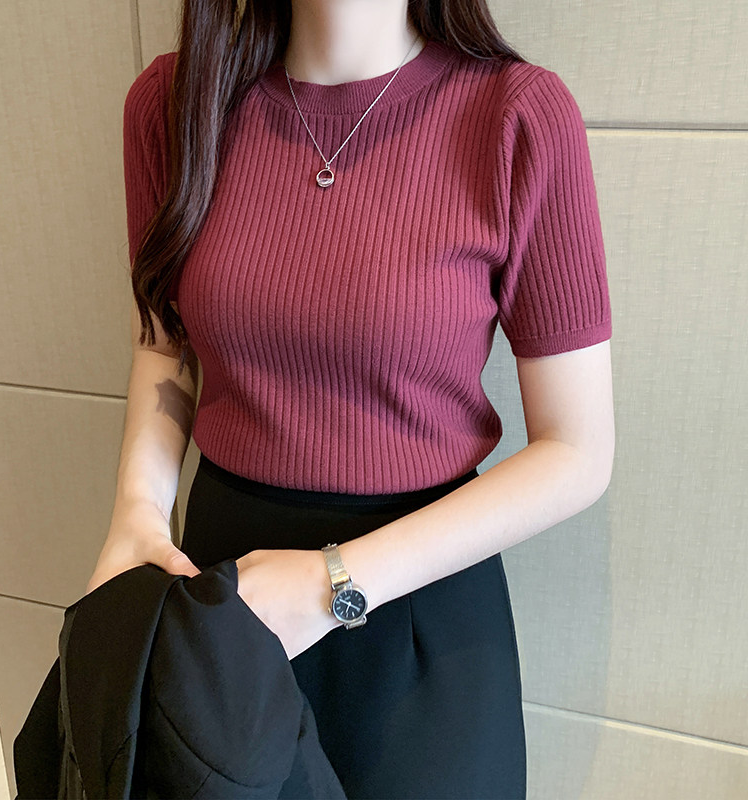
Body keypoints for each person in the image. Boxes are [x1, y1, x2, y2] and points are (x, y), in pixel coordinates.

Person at [86, 1, 615, 798]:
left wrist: (333, 584)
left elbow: (577, 451)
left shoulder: (517, 117)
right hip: (226, 589)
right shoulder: (172, 106)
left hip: (425, 603)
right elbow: (165, 345)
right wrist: (137, 512)